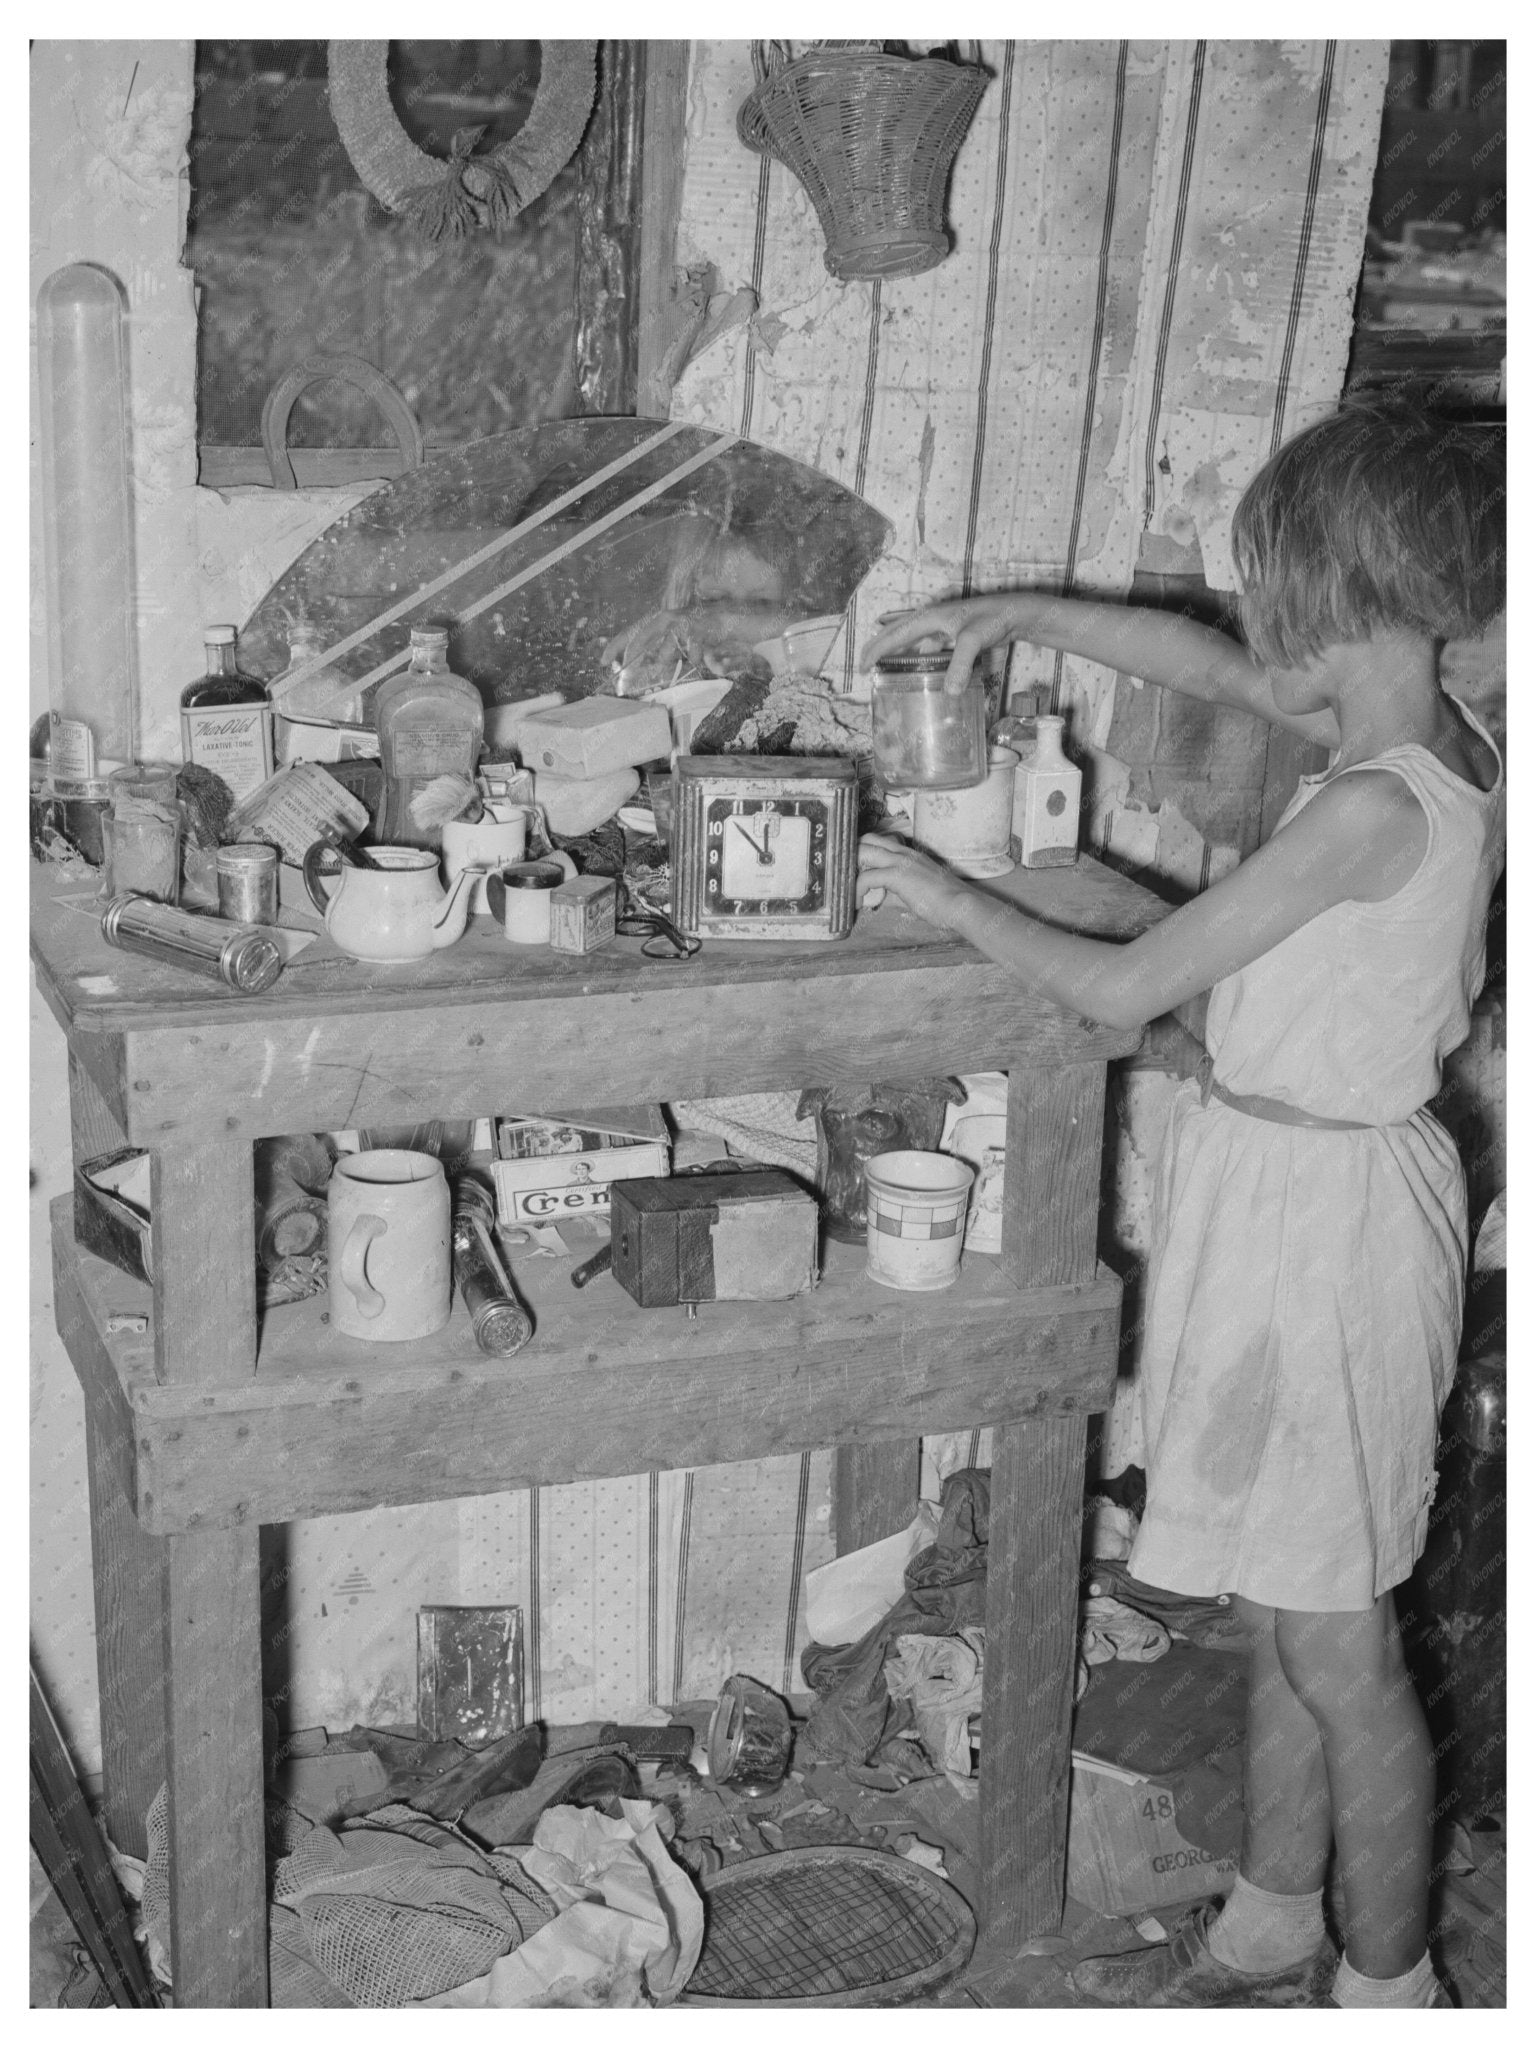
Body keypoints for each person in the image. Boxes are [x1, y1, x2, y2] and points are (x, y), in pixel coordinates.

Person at [857, 398, 1504, 2010]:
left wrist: (939, 889)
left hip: (1338, 1228)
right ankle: (1274, 1920)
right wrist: (1018, 612)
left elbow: (1123, 984)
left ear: (1339, 589)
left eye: (1272, 577)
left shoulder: (1374, 807)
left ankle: (1394, 1988)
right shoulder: (1413, 726)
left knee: (1342, 1646)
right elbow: (1213, 669)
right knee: (1290, 1607)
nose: (1255, 611)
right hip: (1284, 1182)